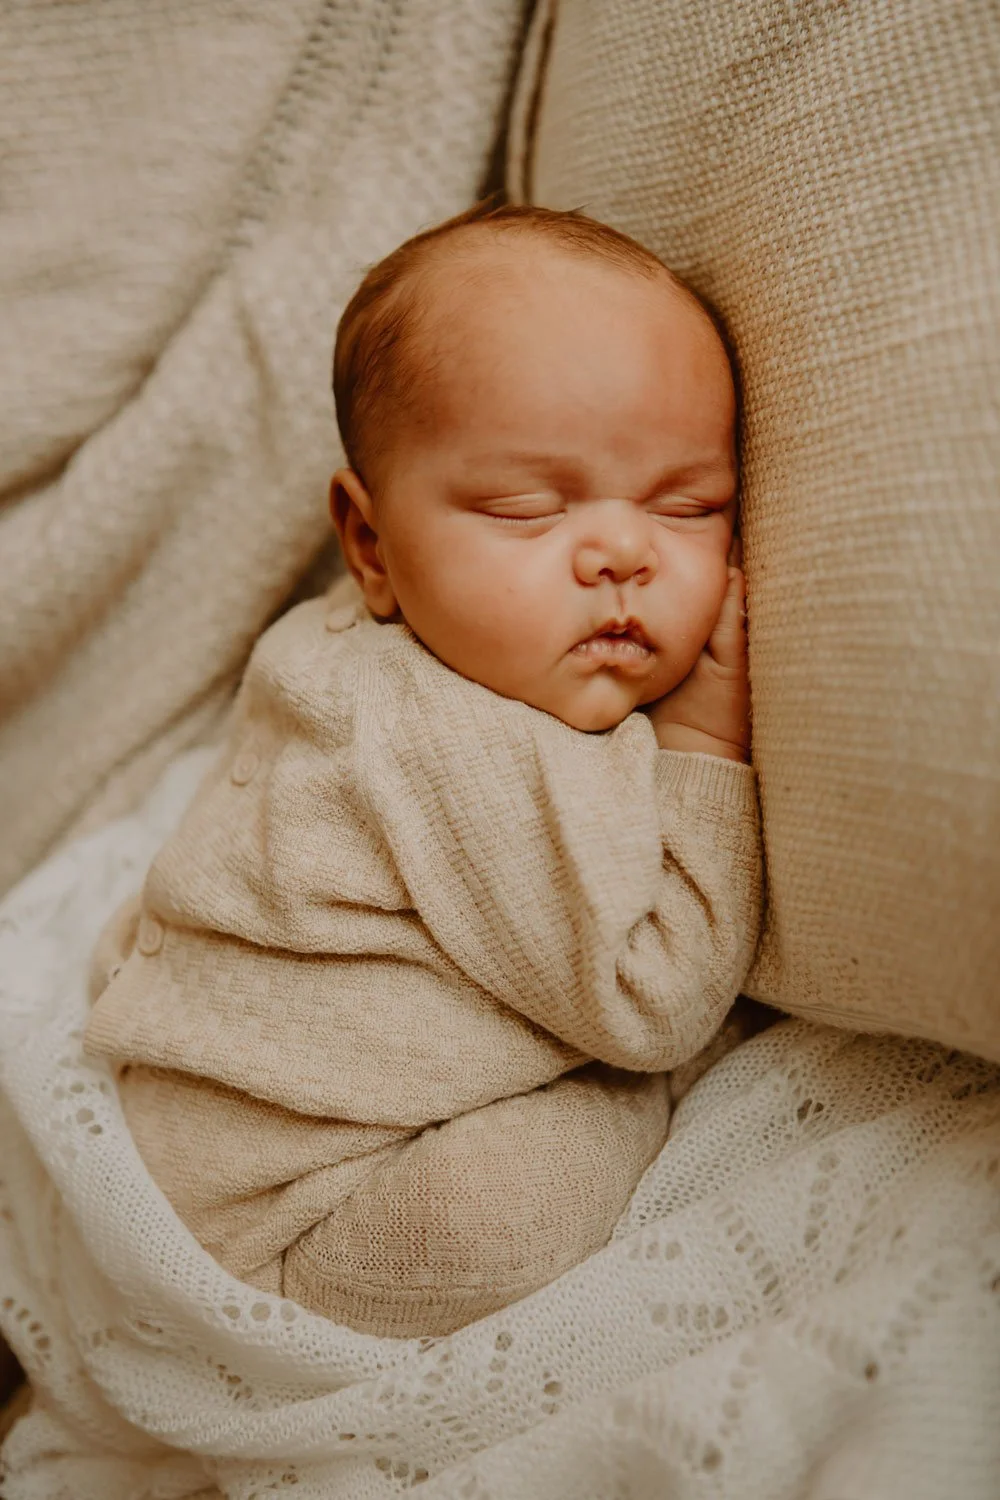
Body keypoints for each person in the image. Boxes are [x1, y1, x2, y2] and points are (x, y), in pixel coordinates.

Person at [84, 203, 763, 1339]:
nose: (620, 555)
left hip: (190, 1129)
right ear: (369, 546)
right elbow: (653, 1002)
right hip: (303, 1221)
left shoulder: (346, 645)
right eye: (524, 509)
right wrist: (701, 750)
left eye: (687, 507)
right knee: (509, 1208)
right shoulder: (460, 746)